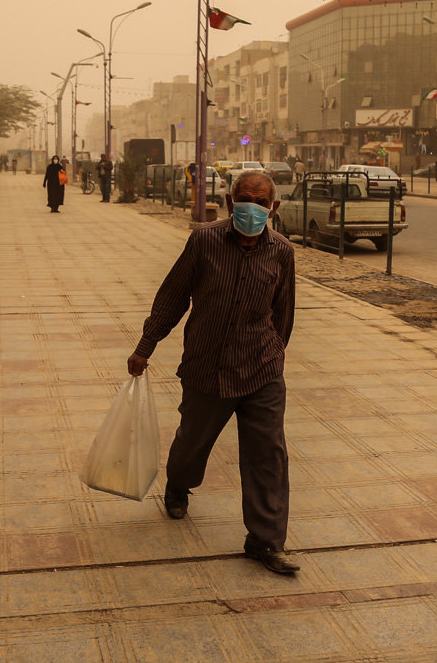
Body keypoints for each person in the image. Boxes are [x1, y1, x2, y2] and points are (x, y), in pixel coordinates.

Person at [127, 170, 299, 575]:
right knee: (193, 441)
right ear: (229, 202)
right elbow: (173, 296)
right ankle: (178, 485)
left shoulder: (282, 253)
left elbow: (283, 315)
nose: (252, 209)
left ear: (272, 208)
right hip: (208, 366)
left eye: (260, 203)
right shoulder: (204, 242)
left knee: (268, 456)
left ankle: (266, 542)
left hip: (261, 369)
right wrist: (145, 346)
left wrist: (273, 354)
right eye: (244, 199)